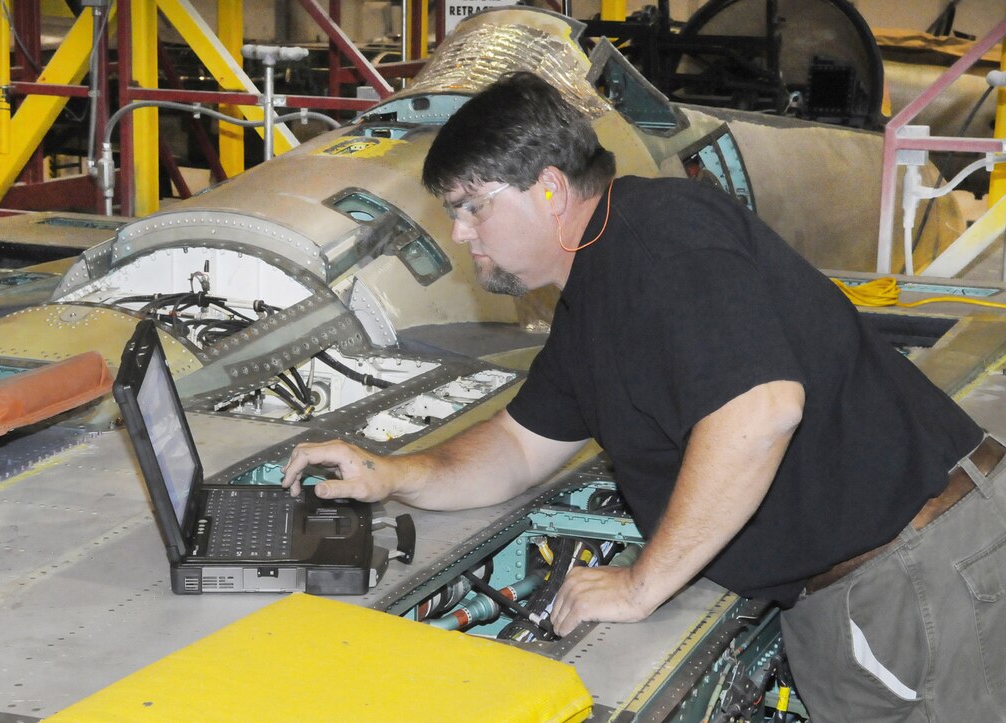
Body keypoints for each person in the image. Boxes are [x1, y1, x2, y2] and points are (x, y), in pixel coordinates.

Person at [282, 71, 1006, 720]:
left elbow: (760, 412)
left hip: (912, 580)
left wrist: (639, 585)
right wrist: (393, 473)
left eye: (473, 206)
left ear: (550, 189)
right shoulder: (591, 299)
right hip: (884, 578)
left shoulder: (659, 237)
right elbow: (516, 447)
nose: (460, 232)